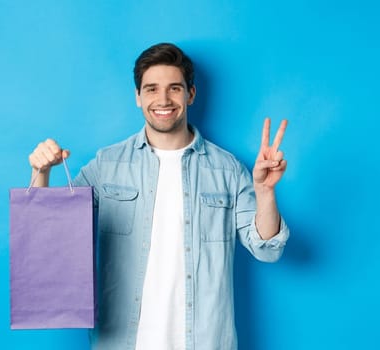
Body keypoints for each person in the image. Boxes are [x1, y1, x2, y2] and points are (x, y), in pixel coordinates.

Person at [27, 43, 289, 350]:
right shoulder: (107, 165)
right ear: (138, 97)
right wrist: (41, 172)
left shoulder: (227, 169)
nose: (163, 99)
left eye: (174, 88)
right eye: (151, 89)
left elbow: (267, 250)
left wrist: (266, 192)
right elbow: (50, 239)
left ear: (190, 94)